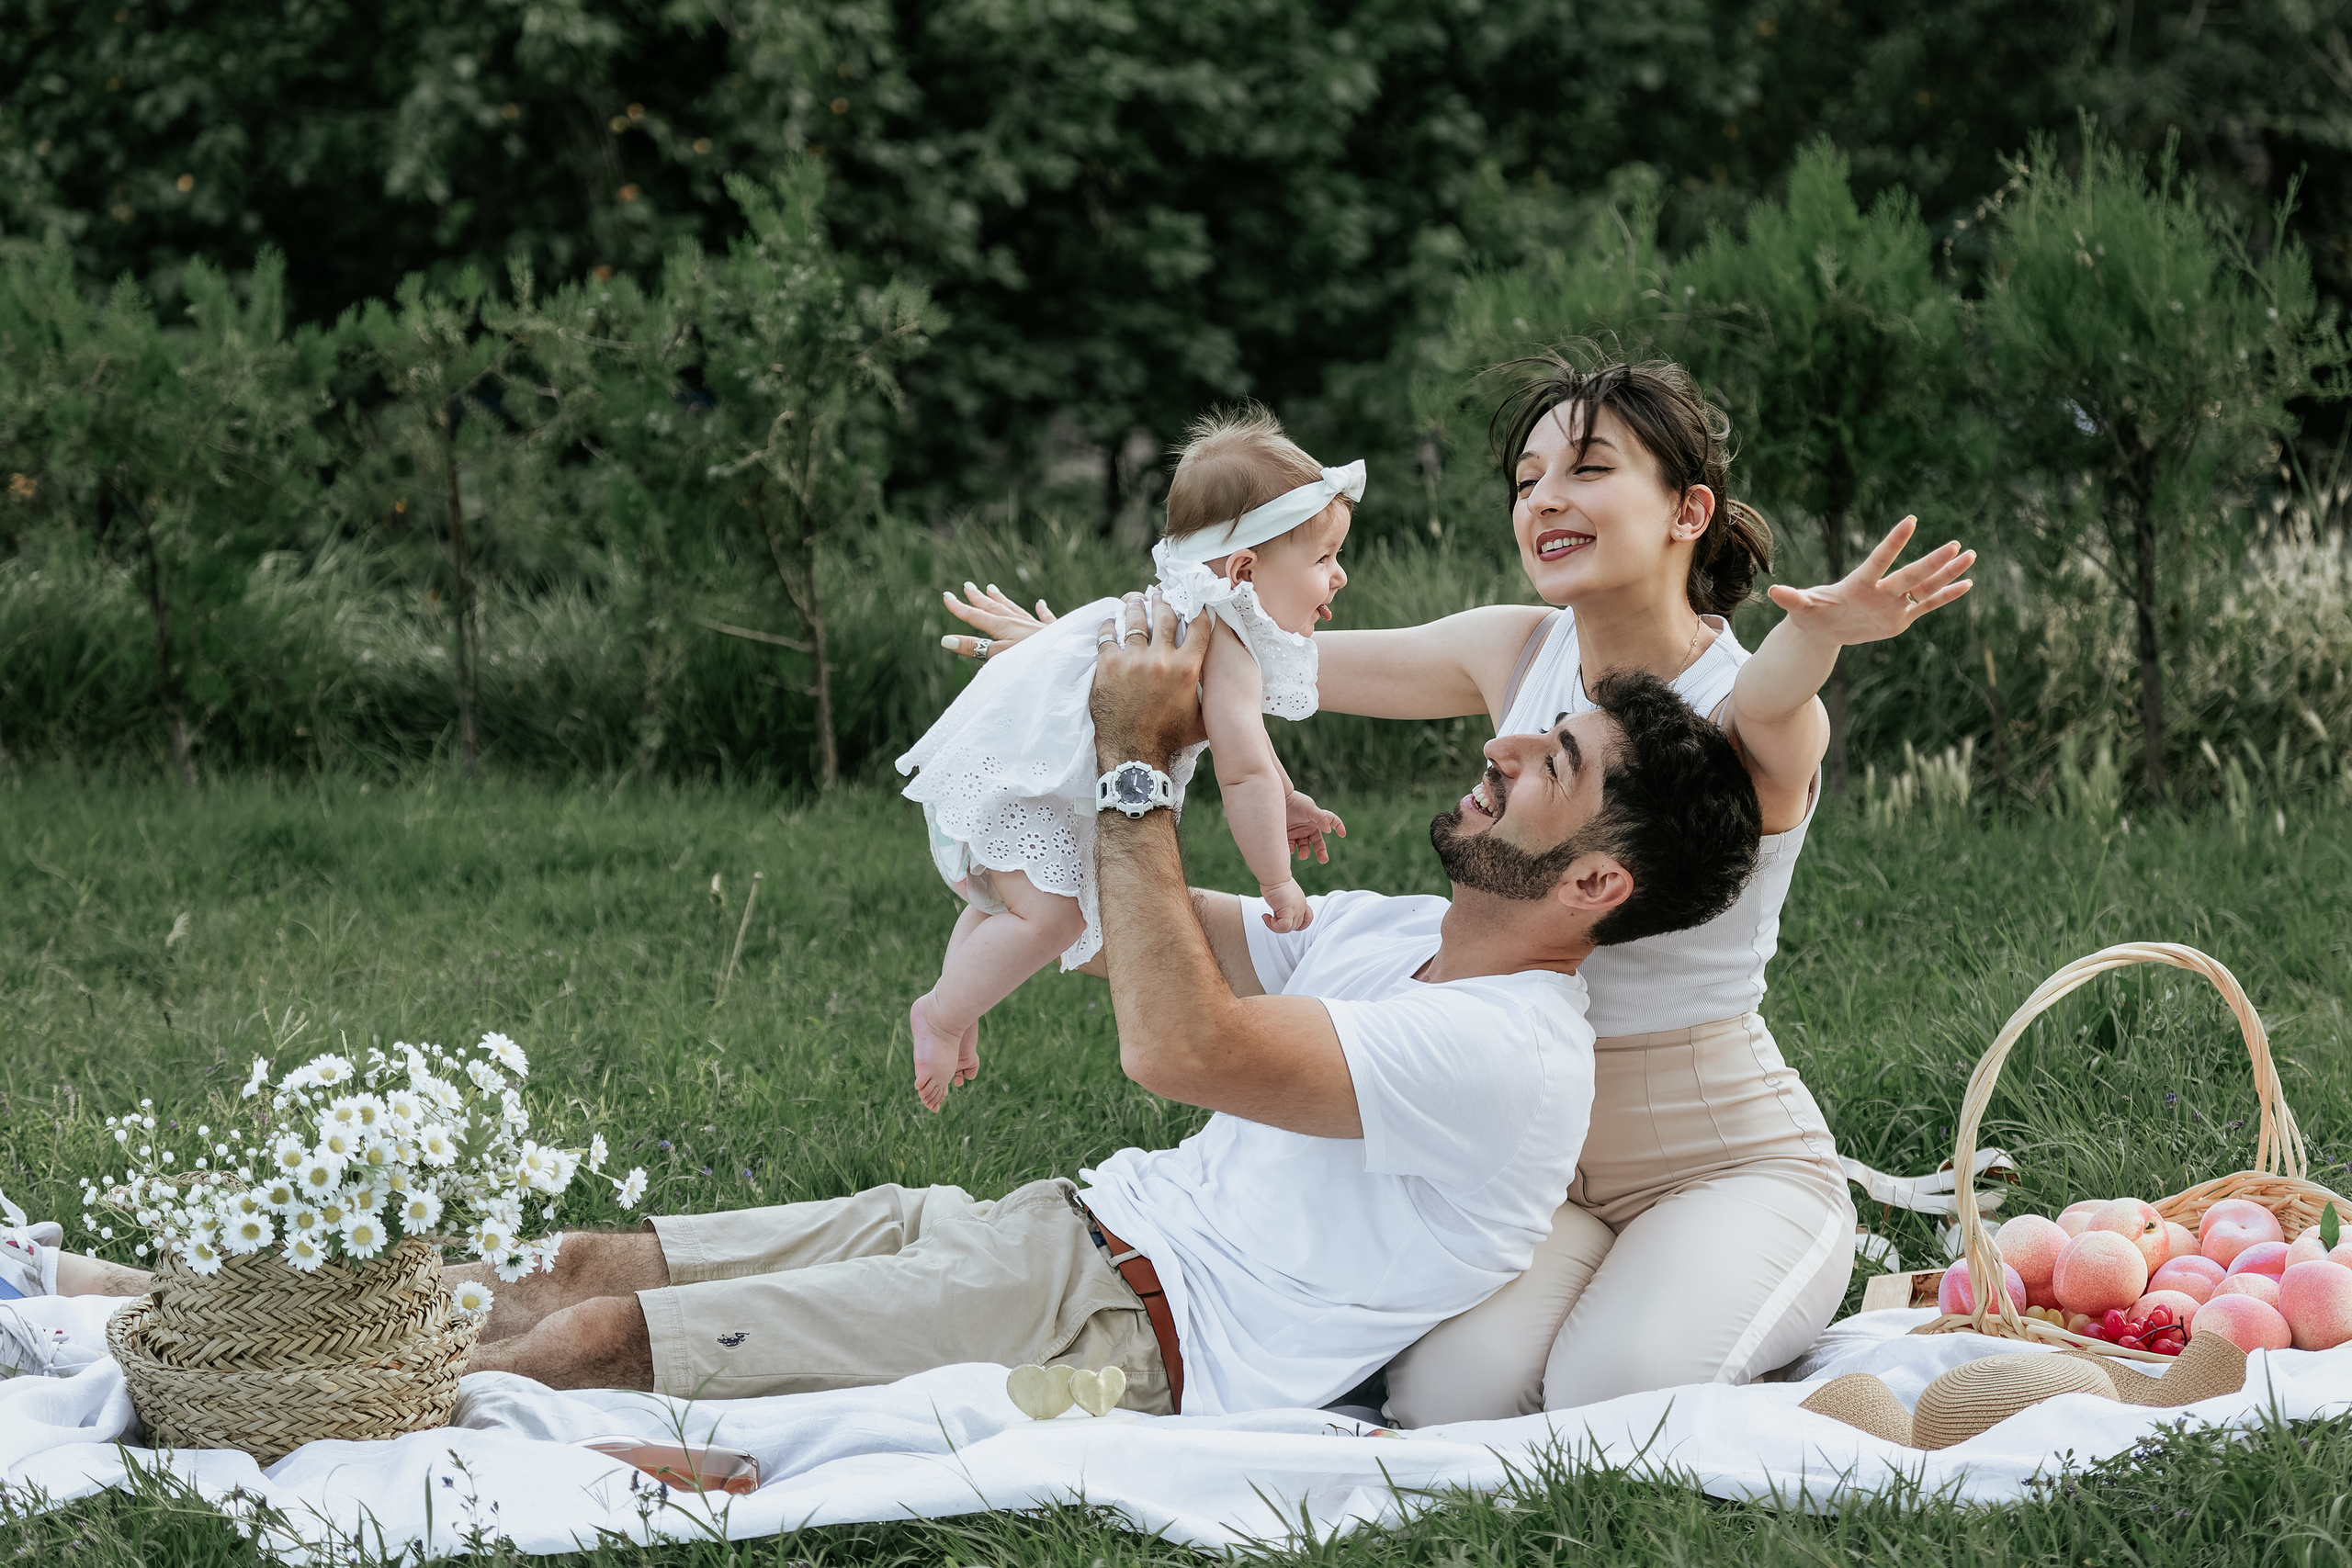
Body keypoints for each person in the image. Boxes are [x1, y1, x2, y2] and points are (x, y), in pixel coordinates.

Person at [6, 599, 1765, 1417]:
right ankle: (102, 1295)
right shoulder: (1395, 932)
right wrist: (1047, 747)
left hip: (1128, 1334)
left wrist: (1142, 783)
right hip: (1050, 1226)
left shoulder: (1507, 1053)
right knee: (594, 1266)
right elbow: (1144, 929)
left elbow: (1178, 1039)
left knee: (608, 1352)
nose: (1507, 741)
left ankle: (219, 1385)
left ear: (1599, 877)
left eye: (1558, 762)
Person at [935, 351, 1976, 1421]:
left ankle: (1788, 1264)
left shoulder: (1740, 706)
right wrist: (1070, 653)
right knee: (1443, 1401)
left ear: (1686, 509)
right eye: (1526, 480)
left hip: (1719, 1159)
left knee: (1609, 1393)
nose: (1545, 501)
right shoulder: (1513, 646)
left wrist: (1816, 634)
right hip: (1531, 1161)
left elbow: (1779, 701)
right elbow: (1257, 652)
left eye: (1586, 469)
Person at [896, 408, 1353, 1111]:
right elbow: (1243, 772)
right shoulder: (1222, 643)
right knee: (1055, 920)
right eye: (1323, 559)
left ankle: (960, 1003)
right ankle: (943, 1011)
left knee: (1007, 904)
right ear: (1243, 569)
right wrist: (1276, 882)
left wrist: (1286, 798)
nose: (1339, 577)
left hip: (1001, 788)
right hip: (1018, 797)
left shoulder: (1186, 612)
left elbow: (1255, 758)